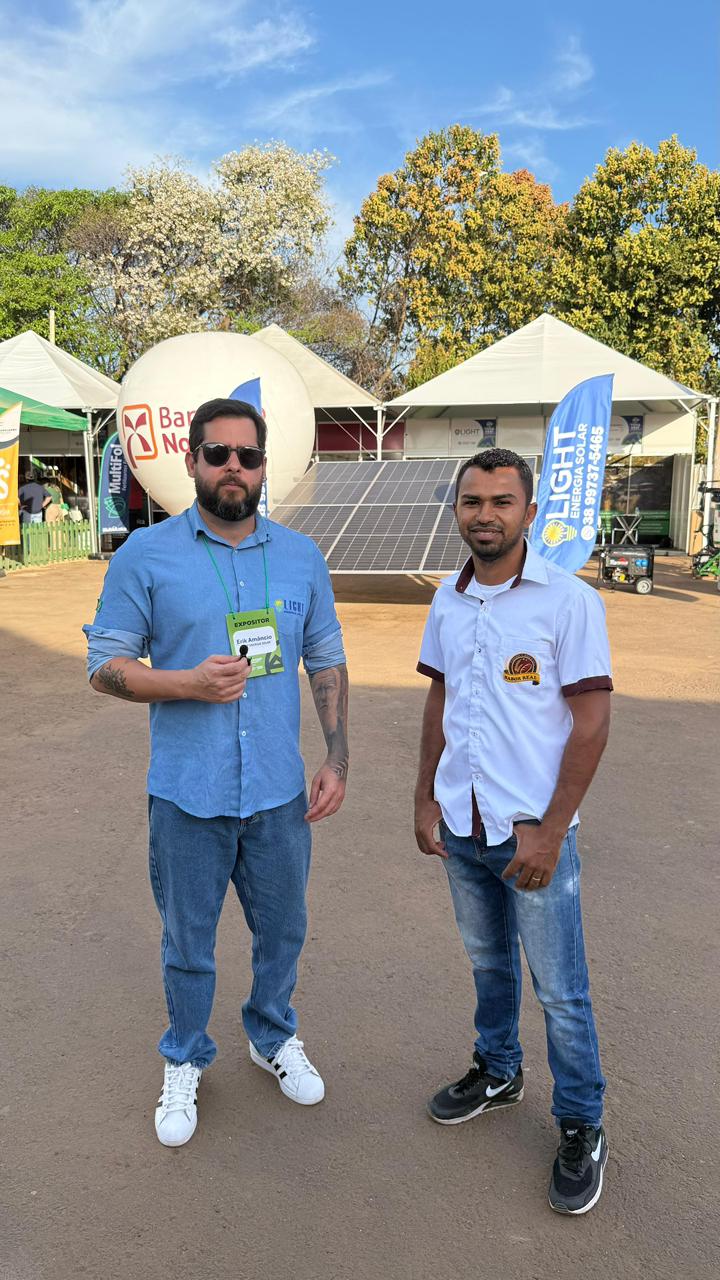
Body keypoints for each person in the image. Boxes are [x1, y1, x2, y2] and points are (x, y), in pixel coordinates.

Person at [83, 398, 349, 1148]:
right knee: (188, 943)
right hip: (188, 794)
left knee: (284, 930)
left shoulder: (300, 557)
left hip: (277, 794)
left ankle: (271, 1035)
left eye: (248, 455)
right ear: (192, 460)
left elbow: (326, 660)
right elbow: (104, 666)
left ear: (265, 466)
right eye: (219, 453)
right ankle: (185, 1056)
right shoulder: (146, 555)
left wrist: (337, 756)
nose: (234, 466)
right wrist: (187, 684)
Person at [414, 448, 612, 1216]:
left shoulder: (568, 602)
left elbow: (591, 722)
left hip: (530, 833)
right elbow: (439, 703)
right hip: (462, 825)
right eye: (472, 502)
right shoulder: (447, 598)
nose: (485, 514)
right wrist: (424, 799)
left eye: (502, 501)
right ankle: (498, 1070)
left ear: (529, 512)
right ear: (457, 512)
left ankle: (582, 1122)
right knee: (489, 964)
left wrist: (553, 831)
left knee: (560, 990)